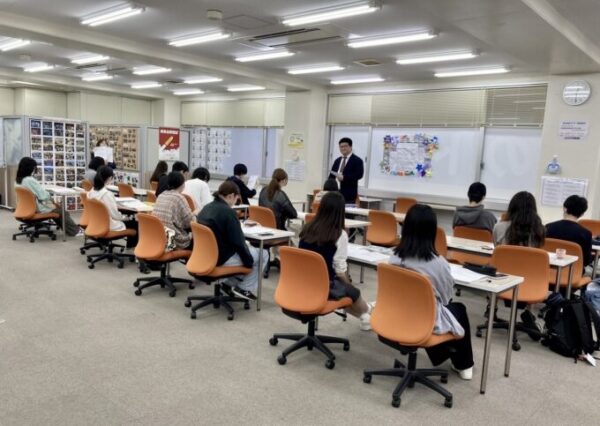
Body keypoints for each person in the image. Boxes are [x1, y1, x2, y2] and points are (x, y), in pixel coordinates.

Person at [389, 204, 474, 380]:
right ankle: (463, 364)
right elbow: (446, 298)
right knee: (458, 309)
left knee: (443, 310)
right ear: (432, 231)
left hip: (397, 314)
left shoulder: (394, 257)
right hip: (423, 320)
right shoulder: (439, 264)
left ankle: (442, 354)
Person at [298, 191, 372, 331]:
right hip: (323, 286)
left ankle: (366, 315)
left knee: (347, 292)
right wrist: (349, 286)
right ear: (340, 212)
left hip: (301, 282)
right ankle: (368, 311)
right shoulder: (339, 234)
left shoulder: (307, 228)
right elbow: (340, 271)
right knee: (352, 292)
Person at [197, 181, 268, 300]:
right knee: (263, 254)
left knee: (249, 252)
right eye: (236, 199)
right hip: (221, 258)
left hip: (204, 255)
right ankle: (244, 288)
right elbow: (238, 243)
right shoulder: (228, 212)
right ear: (230, 196)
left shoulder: (206, 208)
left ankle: (227, 284)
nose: (236, 202)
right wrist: (248, 262)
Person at [15, 157, 81, 237]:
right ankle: (75, 231)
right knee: (62, 211)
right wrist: (51, 199)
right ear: (30, 168)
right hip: (38, 207)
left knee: (57, 208)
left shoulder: (18, 180)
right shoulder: (29, 180)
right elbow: (44, 196)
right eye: (34, 167)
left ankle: (69, 228)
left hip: (26, 208)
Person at [88, 166, 138, 248]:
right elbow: (115, 215)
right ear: (110, 178)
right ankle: (132, 249)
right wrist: (126, 217)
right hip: (109, 226)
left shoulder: (91, 192)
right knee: (134, 223)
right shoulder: (106, 194)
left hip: (96, 224)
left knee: (129, 221)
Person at [152, 172, 198, 250]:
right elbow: (190, 223)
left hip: (159, 238)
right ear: (182, 184)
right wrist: (195, 213)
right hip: (172, 242)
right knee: (197, 239)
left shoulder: (161, 195)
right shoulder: (179, 197)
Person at [546, 195, 592, 267]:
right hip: (574, 270)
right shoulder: (586, 233)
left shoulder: (548, 227)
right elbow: (586, 261)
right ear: (582, 214)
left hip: (548, 268)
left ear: (564, 209)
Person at [328, 137, 364, 204]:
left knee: (347, 211)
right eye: (341, 147)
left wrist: (344, 177)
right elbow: (331, 176)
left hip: (349, 195)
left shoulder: (357, 160)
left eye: (345, 146)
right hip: (334, 194)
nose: (343, 148)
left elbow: (359, 175)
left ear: (350, 147)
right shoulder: (337, 160)